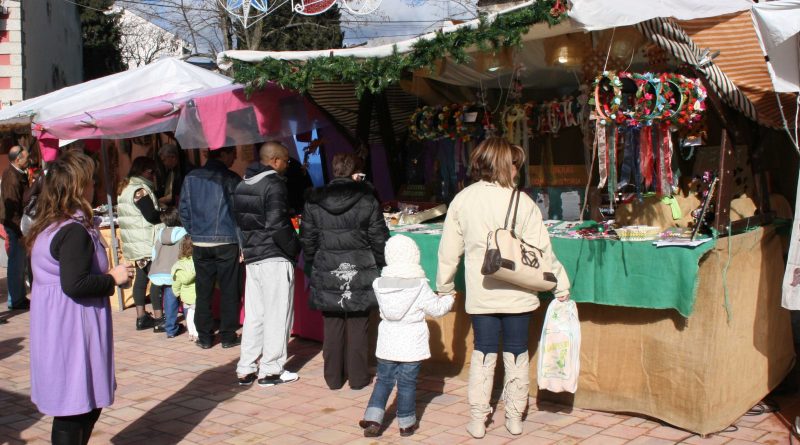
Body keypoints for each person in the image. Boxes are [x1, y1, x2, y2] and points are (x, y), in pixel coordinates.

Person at [436, 137, 571, 438]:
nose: (516, 170)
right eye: (514, 164)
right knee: (516, 353)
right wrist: (560, 284)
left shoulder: (463, 199)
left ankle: (477, 417)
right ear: (503, 165)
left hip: (482, 292)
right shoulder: (522, 202)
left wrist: (444, 287)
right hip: (519, 293)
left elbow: (448, 251)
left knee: (483, 352)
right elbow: (542, 253)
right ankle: (514, 416)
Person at [26, 151, 131, 444]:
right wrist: (113, 277)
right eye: (90, 181)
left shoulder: (51, 225)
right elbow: (75, 283)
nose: (94, 185)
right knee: (75, 408)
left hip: (60, 325)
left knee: (81, 405)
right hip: (72, 329)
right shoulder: (72, 231)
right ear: (77, 187)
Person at [300, 152, 389, 390]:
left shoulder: (314, 201)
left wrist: (314, 261)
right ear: (354, 172)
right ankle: (358, 378)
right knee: (359, 322)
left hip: (327, 265)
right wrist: (382, 264)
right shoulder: (367, 200)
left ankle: (333, 377)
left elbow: (307, 240)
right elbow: (379, 238)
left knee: (332, 322)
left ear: (334, 170)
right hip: (360, 267)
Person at [359, 235, 454, 438]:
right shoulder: (419, 285)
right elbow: (437, 309)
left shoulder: (379, 284)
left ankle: (373, 419)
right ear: (414, 256)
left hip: (388, 341)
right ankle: (406, 423)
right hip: (411, 342)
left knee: (383, 380)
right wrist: (448, 298)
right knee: (407, 383)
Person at [233, 142, 302, 387]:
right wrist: (295, 247)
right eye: (285, 160)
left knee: (255, 315)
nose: (286, 165)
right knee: (277, 314)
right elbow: (277, 224)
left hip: (253, 257)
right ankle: (271, 369)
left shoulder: (242, 184)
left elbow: (240, 224)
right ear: (274, 161)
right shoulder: (274, 184)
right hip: (274, 255)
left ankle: (246, 367)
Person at [179, 146, 242, 349]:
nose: (235, 157)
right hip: (226, 241)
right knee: (229, 290)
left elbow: (184, 210)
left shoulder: (191, 178)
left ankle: (205, 336)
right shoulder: (231, 178)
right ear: (223, 154)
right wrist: (242, 244)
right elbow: (239, 214)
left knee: (203, 290)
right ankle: (227, 335)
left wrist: (195, 231)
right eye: (232, 153)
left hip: (200, 241)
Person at [117, 156, 163, 331]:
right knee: (156, 279)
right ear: (144, 171)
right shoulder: (139, 190)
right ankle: (159, 319)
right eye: (151, 172)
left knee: (141, 279)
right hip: (145, 241)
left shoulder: (125, 187)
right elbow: (150, 215)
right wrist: (165, 214)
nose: (153, 176)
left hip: (135, 243)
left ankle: (141, 317)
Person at [148, 207, 187, 338]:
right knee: (187, 298)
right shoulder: (185, 234)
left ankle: (171, 328)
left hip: (160, 272)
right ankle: (186, 327)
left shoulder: (160, 235)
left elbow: (154, 254)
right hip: (177, 271)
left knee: (169, 298)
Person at [2, 145, 31, 310]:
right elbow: (12, 209)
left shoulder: (18, 173)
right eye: (26, 158)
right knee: (17, 262)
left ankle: (18, 297)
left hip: (18, 224)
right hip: (14, 225)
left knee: (19, 262)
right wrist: (21, 230)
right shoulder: (11, 177)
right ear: (17, 159)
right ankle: (15, 300)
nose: (29, 160)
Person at [172, 236, 197, 342]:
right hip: (196, 294)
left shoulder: (178, 264)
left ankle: (191, 333)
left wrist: (176, 292)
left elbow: (176, 281)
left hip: (185, 295)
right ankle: (196, 333)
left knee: (190, 314)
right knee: (196, 315)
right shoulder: (197, 262)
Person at [156, 143, 191, 208]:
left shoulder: (185, 170)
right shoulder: (170, 171)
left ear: (173, 157)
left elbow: (182, 193)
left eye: (164, 160)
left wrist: (166, 199)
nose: (164, 164)